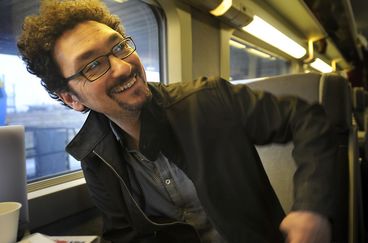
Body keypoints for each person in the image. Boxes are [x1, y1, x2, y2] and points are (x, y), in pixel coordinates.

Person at [17, 1, 337, 242]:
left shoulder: (209, 99)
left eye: (119, 47)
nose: (124, 67)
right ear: (72, 99)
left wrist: (311, 207)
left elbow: (308, 118)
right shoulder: (95, 157)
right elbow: (124, 236)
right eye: (93, 65)